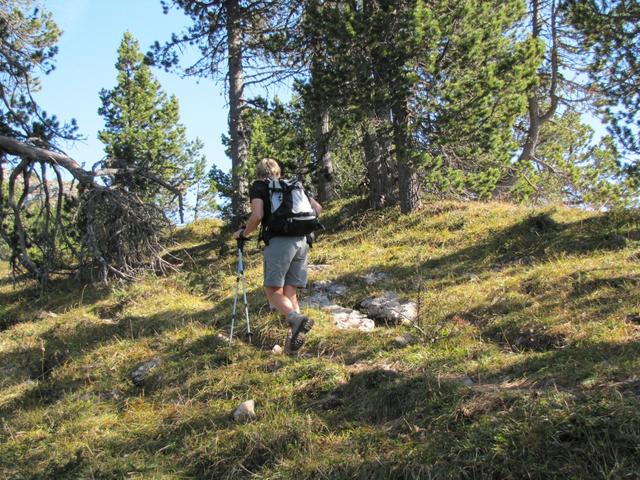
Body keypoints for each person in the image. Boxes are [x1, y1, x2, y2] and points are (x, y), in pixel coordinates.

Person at [233, 158, 322, 354]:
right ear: (278, 172)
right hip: (302, 241)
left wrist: (243, 233)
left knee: (272, 291)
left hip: (280, 242)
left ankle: (296, 318)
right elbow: (317, 208)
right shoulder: (293, 185)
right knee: (289, 292)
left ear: (258, 173)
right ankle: (293, 345)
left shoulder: (259, 186)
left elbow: (257, 216)